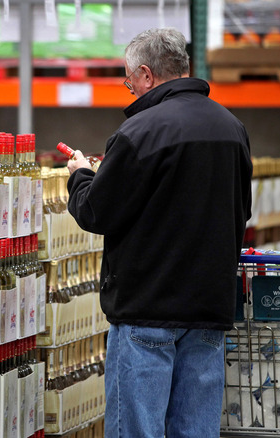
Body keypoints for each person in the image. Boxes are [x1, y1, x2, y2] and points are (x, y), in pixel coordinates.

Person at [64, 28, 253, 438]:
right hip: (208, 313)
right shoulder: (232, 128)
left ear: (147, 75)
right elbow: (243, 211)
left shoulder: (139, 133)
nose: (129, 90)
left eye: (128, 81)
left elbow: (96, 211)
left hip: (146, 313)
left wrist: (80, 177)